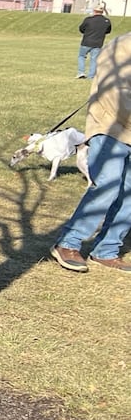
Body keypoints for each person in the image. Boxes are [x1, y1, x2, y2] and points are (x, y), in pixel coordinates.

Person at [50, 30, 131, 273]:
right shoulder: (122, 47)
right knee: (107, 184)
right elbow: (115, 95)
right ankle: (68, 243)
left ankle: (106, 250)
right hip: (110, 128)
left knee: (128, 195)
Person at [76, 3, 112, 79]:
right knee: (94, 59)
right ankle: (91, 75)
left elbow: (81, 29)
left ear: (94, 11)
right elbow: (108, 31)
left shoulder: (88, 20)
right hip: (98, 42)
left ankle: (81, 72)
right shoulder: (106, 21)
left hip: (86, 42)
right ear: (102, 12)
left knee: (82, 56)